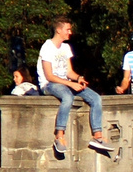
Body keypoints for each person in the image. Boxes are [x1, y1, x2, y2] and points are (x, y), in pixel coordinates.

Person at [37, 17, 111, 159]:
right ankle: (59, 135)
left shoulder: (66, 48)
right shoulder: (47, 47)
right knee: (67, 97)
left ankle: (97, 136)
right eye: (67, 29)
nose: (70, 32)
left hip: (64, 82)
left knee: (95, 98)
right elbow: (49, 76)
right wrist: (71, 84)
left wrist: (78, 78)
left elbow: (68, 72)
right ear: (59, 30)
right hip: (49, 84)